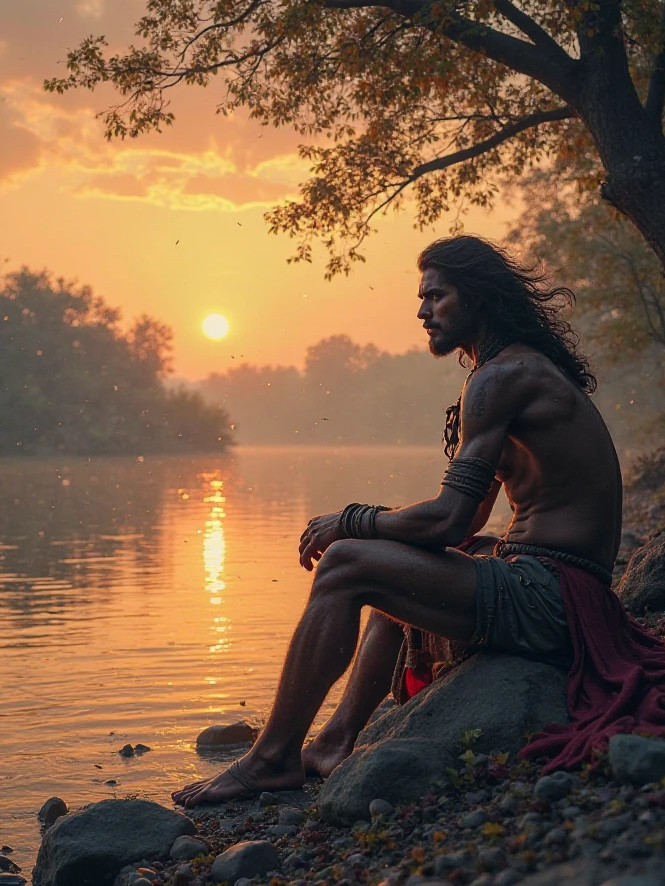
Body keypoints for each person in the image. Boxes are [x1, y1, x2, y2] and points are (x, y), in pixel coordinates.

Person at [173, 234, 623, 809]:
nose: (421, 310)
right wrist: (386, 533)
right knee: (394, 569)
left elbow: (445, 522)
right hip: (560, 590)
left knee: (343, 565)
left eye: (436, 296)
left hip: (552, 598)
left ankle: (271, 759)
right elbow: (461, 526)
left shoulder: (501, 378)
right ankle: (334, 743)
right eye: (422, 298)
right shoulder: (513, 372)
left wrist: (352, 521)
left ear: (477, 297)